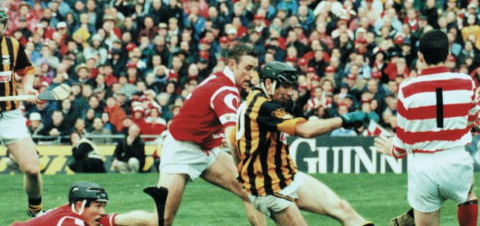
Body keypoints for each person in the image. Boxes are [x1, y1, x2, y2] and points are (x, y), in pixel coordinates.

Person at [231, 61, 374, 226]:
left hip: (288, 176)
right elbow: (306, 130)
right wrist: (344, 120)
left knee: (343, 208)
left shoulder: (252, 98)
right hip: (271, 189)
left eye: (292, 86)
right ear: (269, 83)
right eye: (285, 86)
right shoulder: (263, 106)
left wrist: (241, 174)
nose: (291, 92)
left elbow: (234, 142)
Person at [375, 29, 479, 226]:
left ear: (420, 56)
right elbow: (472, 119)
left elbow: (404, 136)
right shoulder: (467, 82)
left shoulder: (407, 88)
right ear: (448, 55)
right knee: (467, 194)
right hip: (456, 157)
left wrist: (394, 151)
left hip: (422, 165)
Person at [157, 44, 265, 226]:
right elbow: (233, 138)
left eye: (254, 69)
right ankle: (106, 221)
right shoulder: (226, 90)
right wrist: (243, 163)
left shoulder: (221, 79)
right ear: (232, 64)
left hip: (206, 148)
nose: (251, 75)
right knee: (161, 221)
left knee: (250, 190)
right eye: (247, 68)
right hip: (181, 150)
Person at [0, 7, 44, 217]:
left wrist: (27, 88)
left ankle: (35, 211)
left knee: (32, 169)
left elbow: (26, 71)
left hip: (9, 114)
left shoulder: (12, 45)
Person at [10, 181, 159, 226]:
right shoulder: (68, 221)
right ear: (80, 205)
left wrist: (153, 219)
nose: (103, 212)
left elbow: (125, 219)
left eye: (103, 206)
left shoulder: (83, 216)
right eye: (98, 206)